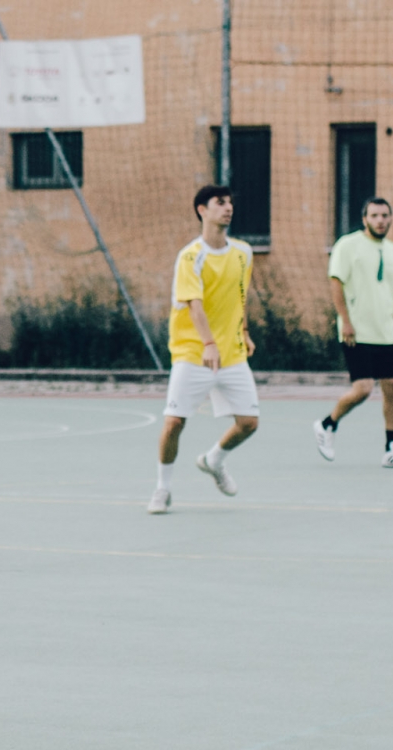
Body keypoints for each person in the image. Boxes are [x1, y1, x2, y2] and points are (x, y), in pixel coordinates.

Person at [149, 185, 259, 514]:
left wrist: (244, 331)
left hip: (232, 354)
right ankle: (162, 489)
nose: (228, 208)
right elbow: (194, 304)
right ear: (202, 210)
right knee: (174, 423)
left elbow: (240, 297)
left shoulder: (243, 253)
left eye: (230, 203)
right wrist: (208, 344)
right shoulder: (190, 256)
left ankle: (214, 460)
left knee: (249, 423)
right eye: (220, 203)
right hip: (192, 353)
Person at [314, 197, 393, 468]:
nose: (380, 220)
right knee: (363, 388)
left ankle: (391, 448)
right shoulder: (348, 245)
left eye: (385, 216)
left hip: (386, 332)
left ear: (390, 219)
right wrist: (345, 321)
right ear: (364, 219)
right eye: (375, 216)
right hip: (357, 332)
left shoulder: (392, 250)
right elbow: (336, 283)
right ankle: (327, 424)